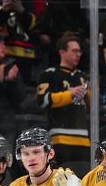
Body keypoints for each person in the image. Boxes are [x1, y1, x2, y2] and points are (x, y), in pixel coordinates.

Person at [37, 33, 90, 176]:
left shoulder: (82, 76)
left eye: (79, 51)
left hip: (83, 139)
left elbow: (92, 106)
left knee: (83, 180)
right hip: (60, 137)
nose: (78, 54)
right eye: (74, 51)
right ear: (62, 52)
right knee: (60, 180)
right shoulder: (50, 74)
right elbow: (43, 100)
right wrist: (69, 94)